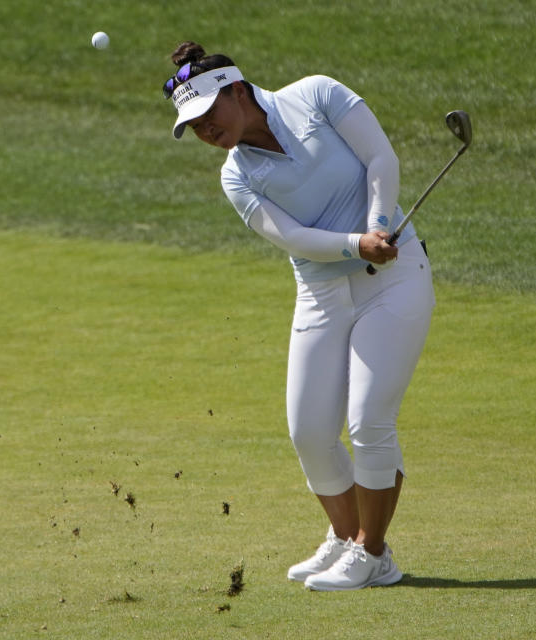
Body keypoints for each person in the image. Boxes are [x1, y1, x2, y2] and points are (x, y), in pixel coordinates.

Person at [162, 42, 435, 591]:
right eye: (193, 127)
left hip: (395, 283)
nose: (206, 132)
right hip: (321, 295)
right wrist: (357, 243)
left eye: (209, 116)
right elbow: (293, 238)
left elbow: (382, 159)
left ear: (237, 90)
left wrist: (378, 225)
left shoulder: (316, 94)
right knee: (309, 431)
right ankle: (347, 537)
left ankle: (373, 553)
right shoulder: (235, 176)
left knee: (367, 420)